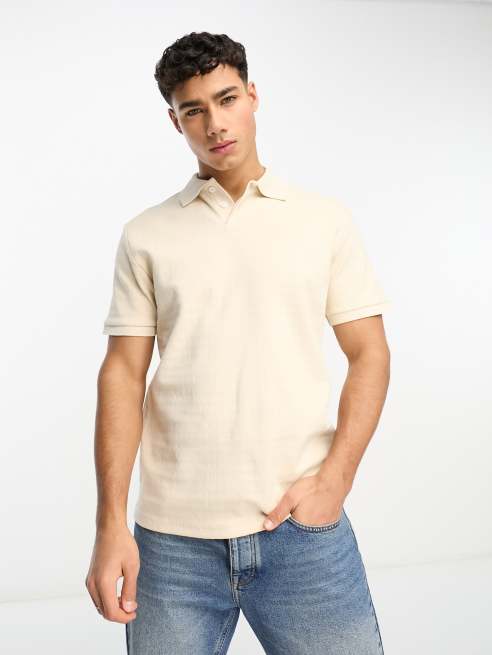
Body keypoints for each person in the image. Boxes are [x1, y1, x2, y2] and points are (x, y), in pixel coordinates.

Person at [85, 31, 391, 655]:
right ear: (175, 122)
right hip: (172, 544)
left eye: (227, 100)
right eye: (194, 110)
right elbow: (122, 375)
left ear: (253, 96)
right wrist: (110, 524)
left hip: (302, 533)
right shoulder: (147, 235)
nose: (215, 123)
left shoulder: (322, 220)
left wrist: (335, 480)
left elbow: (370, 354)